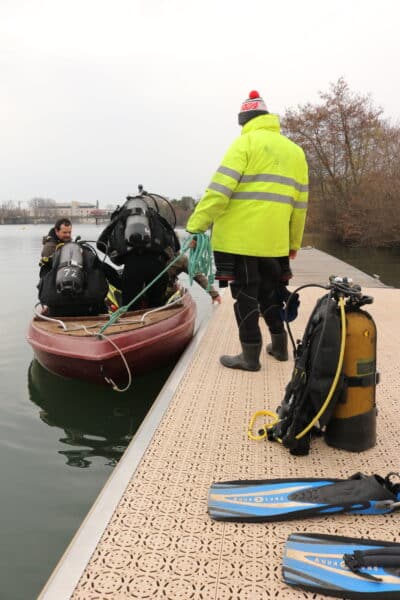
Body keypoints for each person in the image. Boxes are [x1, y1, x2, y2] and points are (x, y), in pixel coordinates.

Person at [186, 90, 308, 371]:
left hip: (241, 242)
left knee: (246, 297)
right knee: (272, 293)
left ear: (244, 121)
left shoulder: (244, 144)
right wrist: (293, 242)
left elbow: (218, 192)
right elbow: (300, 205)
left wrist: (195, 226)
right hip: (275, 243)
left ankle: (249, 357)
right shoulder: (296, 152)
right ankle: (279, 348)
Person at [97, 192, 181, 309]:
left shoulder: (120, 218)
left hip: (132, 266)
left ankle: (132, 325)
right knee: (156, 307)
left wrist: (116, 257)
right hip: (157, 265)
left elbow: (100, 244)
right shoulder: (154, 216)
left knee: (131, 309)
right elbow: (176, 245)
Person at [38, 218, 121, 316]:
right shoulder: (50, 248)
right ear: (56, 231)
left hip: (59, 302)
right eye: (65, 232)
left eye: (69, 232)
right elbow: (104, 269)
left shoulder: (66, 245)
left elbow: (44, 276)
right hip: (81, 301)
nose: (68, 235)